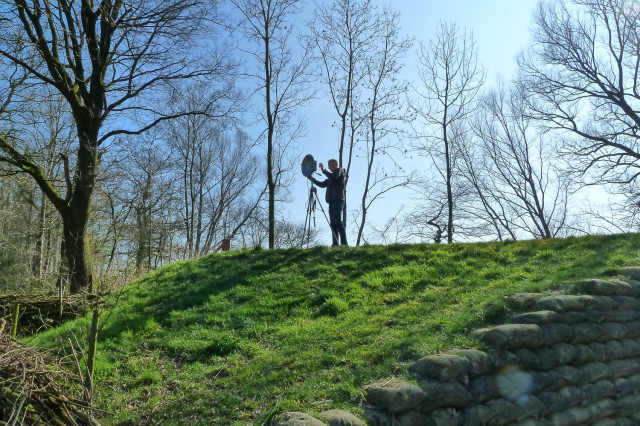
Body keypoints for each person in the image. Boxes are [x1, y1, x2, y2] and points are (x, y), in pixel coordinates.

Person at [307, 159, 348, 246]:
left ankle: (344, 243)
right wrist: (310, 177)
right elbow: (321, 184)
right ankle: (335, 243)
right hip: (331, 201)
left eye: (329, 165)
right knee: (333, 223)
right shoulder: (330, 178)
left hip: (338, 200)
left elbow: (334, 177)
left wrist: (323, 170)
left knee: (337, 220)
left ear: (334, 164)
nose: (328, 167)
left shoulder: (339, 170)